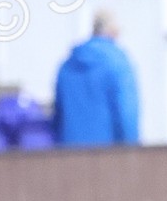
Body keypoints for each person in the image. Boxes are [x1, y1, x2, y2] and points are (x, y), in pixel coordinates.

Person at [54, 10, 139, 146]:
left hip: (70, 151)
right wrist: (133, 151)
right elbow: (126, 111)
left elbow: (58, 113)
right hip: (108, 153)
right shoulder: (118, 62)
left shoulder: (67, 65)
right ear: (113, 31)